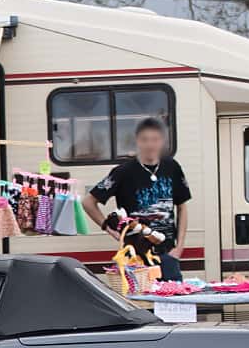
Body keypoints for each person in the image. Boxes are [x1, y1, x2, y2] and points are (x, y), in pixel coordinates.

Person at [82, 117, 192, 280]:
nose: (150, 145)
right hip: (136, 258)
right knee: (141, 303)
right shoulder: (123, 171)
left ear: (162, 141)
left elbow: (182, 206)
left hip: (168, 254)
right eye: (145, 140)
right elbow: (88, 202)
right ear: (137, 141)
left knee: (175, 300)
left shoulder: (172, 167)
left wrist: (180, 246)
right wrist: (108, 228)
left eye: (155, 139)